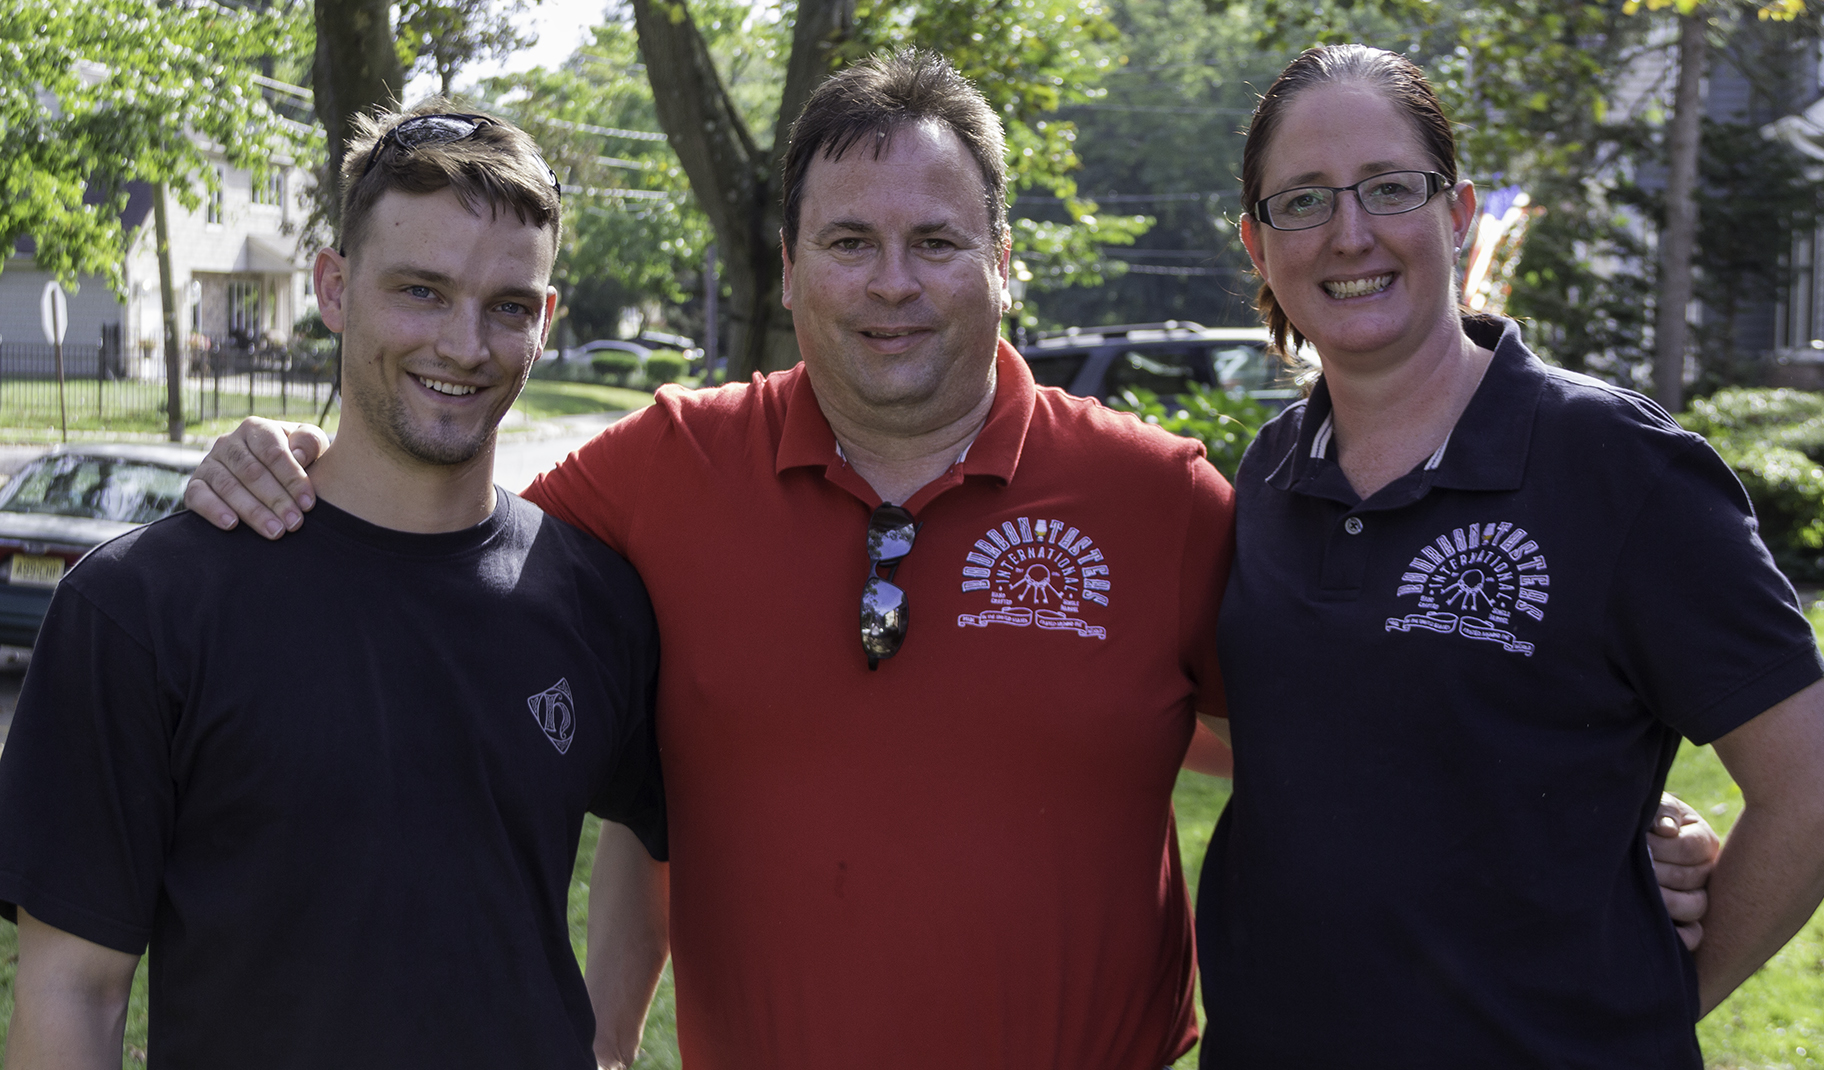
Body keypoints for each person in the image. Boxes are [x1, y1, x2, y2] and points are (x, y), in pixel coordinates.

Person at [183, 50, 1720, 1069]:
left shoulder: (1162, 497)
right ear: (784, 267)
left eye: (936, 239)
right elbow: (442, 536)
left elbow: (1354, 707)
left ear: (1005, 259)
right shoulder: (659, 470)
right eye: (847, 240)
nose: (891, 283)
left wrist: (1578, 808)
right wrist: (290, 460)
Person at [1196, 44, 1824, 1069]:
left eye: (1388, 188)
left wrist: (1655, 999)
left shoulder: (1621, 469)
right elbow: (1307, 738)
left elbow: (1816, 790)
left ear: (1456, 213)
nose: (1350, 232)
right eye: (1303, 201)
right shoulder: (1274, 472)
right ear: (1257, 244)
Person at [0, 103, 669, 1070]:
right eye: (421, 292)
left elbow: (661, 827)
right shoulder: (144, 607)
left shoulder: (593, 598)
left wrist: (604, 1044)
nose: (465, 345)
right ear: (333, 286)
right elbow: (74, 990)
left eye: (508, 306)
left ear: (547, 318)